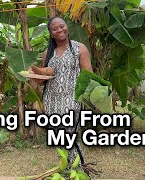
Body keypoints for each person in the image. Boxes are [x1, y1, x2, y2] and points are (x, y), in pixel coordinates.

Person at [31, 16, 93, 171]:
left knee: (69, 134)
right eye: (55, 28)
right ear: (51, 33)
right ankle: (65, 168)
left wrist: (86, 98)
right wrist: (36, 77)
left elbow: (88, 76)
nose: (60, 30)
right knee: (57, 136)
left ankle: (79, 169)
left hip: (72, 100)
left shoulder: (79, 48)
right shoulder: (48, 52)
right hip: (51, 100)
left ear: (66, 27)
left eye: (62, 26)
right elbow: (45, 77)